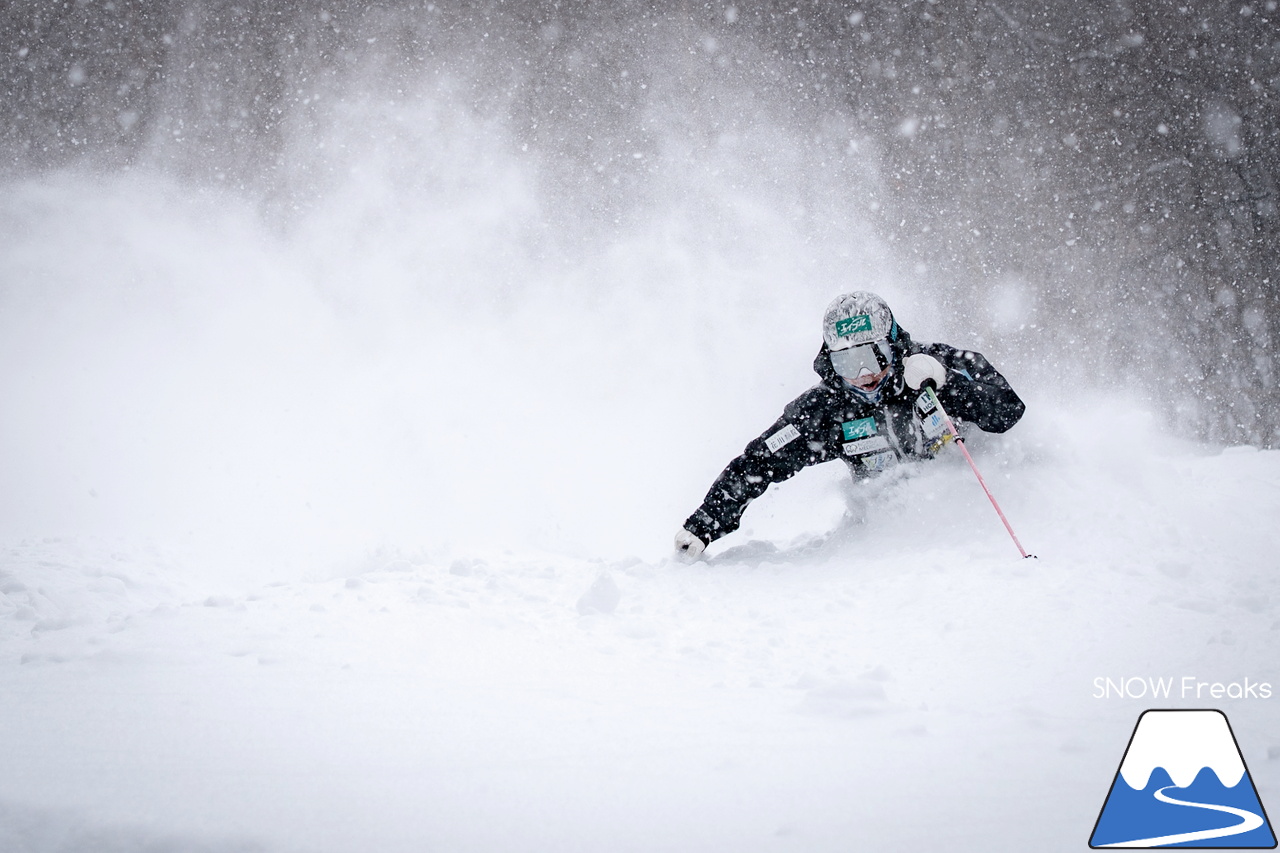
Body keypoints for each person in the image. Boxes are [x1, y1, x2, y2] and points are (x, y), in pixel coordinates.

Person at [675, 291, 1025, 560]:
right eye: (847, 362)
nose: (864, 375)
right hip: (888, 544)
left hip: (975, 524)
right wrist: (703, 525)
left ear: (893, 346)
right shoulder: (826, 409)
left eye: (874, 357)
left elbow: (1008, 410)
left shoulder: (938, 364)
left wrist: (949, 384)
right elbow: (760, 462)